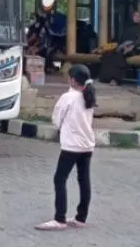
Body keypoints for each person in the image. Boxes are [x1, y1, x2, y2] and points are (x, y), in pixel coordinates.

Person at [35, 64, 96, 231]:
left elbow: (56, 120)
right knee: (84, 180)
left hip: (71, 145)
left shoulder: (68, 97)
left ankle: (59, 218)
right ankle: (80, 218)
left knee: (59, 179)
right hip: (87, 145)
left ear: (74, 80)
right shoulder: (88, 95)